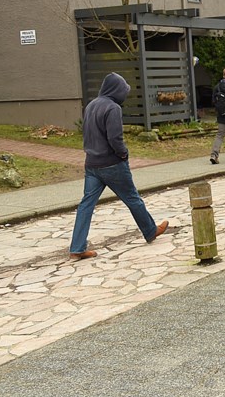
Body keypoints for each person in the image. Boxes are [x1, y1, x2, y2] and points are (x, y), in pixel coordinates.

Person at [70, 72, 169, 260]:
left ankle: (76, 247)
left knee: (86, 205)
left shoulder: (91, 105)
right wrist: (123, 154)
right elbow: (115, 138)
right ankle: (150, 230)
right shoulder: (112, 107)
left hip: (91, 163)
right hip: (112, 164)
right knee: (132, 198)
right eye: (124, 91)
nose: (124, 95)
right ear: (116, 90)